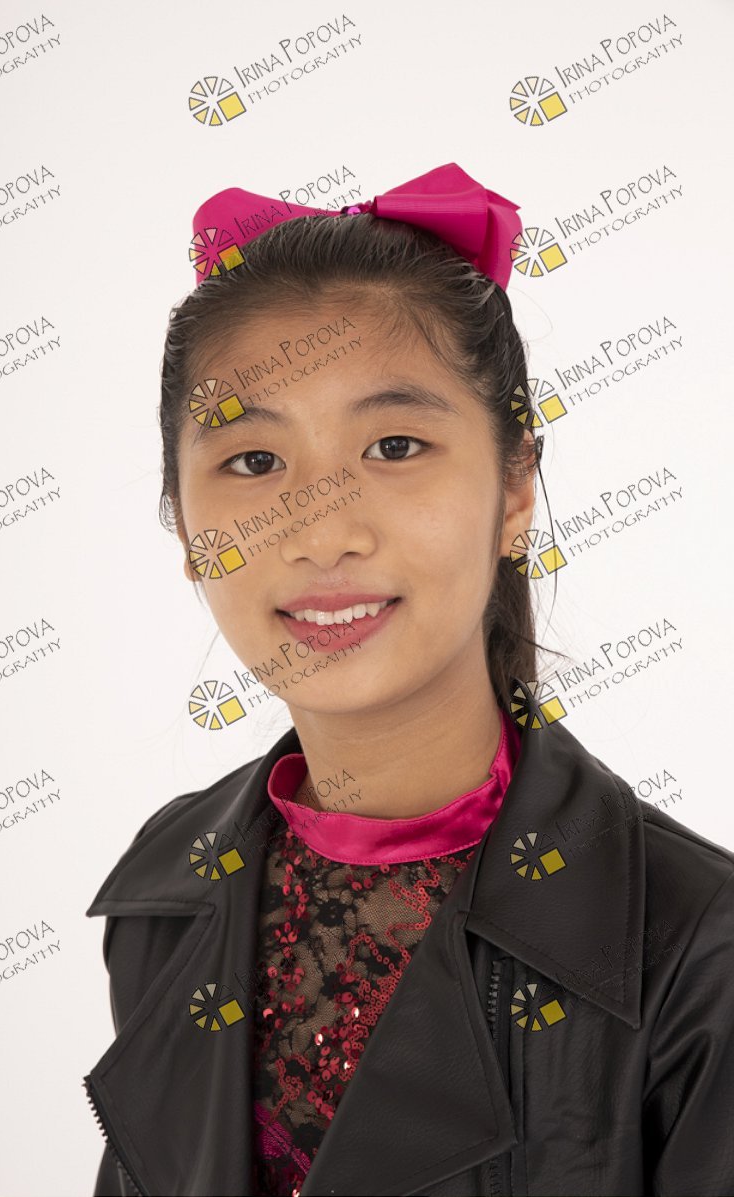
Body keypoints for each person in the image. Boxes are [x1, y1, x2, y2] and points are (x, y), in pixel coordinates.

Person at [82, 164, 734, 1197]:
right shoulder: (170, 890)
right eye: (253, 461)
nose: (321, 530)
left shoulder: (697, 947)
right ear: (185, 524)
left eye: (394, 445)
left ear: (513, 489)